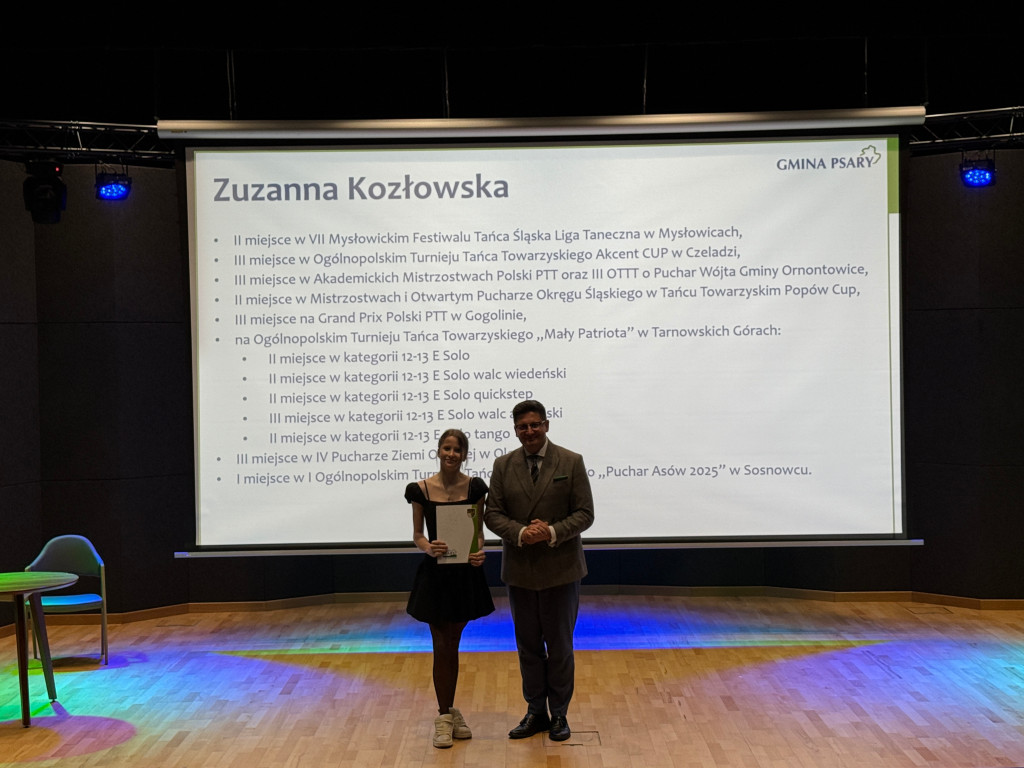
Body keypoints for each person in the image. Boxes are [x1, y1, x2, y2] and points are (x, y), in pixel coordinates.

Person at [484, 400, 594, 742]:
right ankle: (535, 712)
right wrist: (521, 533)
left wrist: (551, 531)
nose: (529, 431)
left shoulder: (571, 461)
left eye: (534, 425)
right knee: (528, 647)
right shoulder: (503, 465)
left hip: (561, 570)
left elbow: (585, 513)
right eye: (523, 427)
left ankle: (559, 714)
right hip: (520, 571)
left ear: (546, 425)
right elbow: (492, 514)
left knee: (560, 647)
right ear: (516, 430)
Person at [405, 428, 494, 749]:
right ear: (439, 451)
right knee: (441, 642)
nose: (451, 454)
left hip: (465, 575)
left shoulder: (476, 488)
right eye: (447, 448)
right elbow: (417, 534)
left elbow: (478, 533)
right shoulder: (419, 490)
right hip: (436, 576)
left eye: (457, 450)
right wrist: (428, 547)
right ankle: (444, 715)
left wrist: (479, 550)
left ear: (464, 454)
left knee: (453, 642)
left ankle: (449, 709)